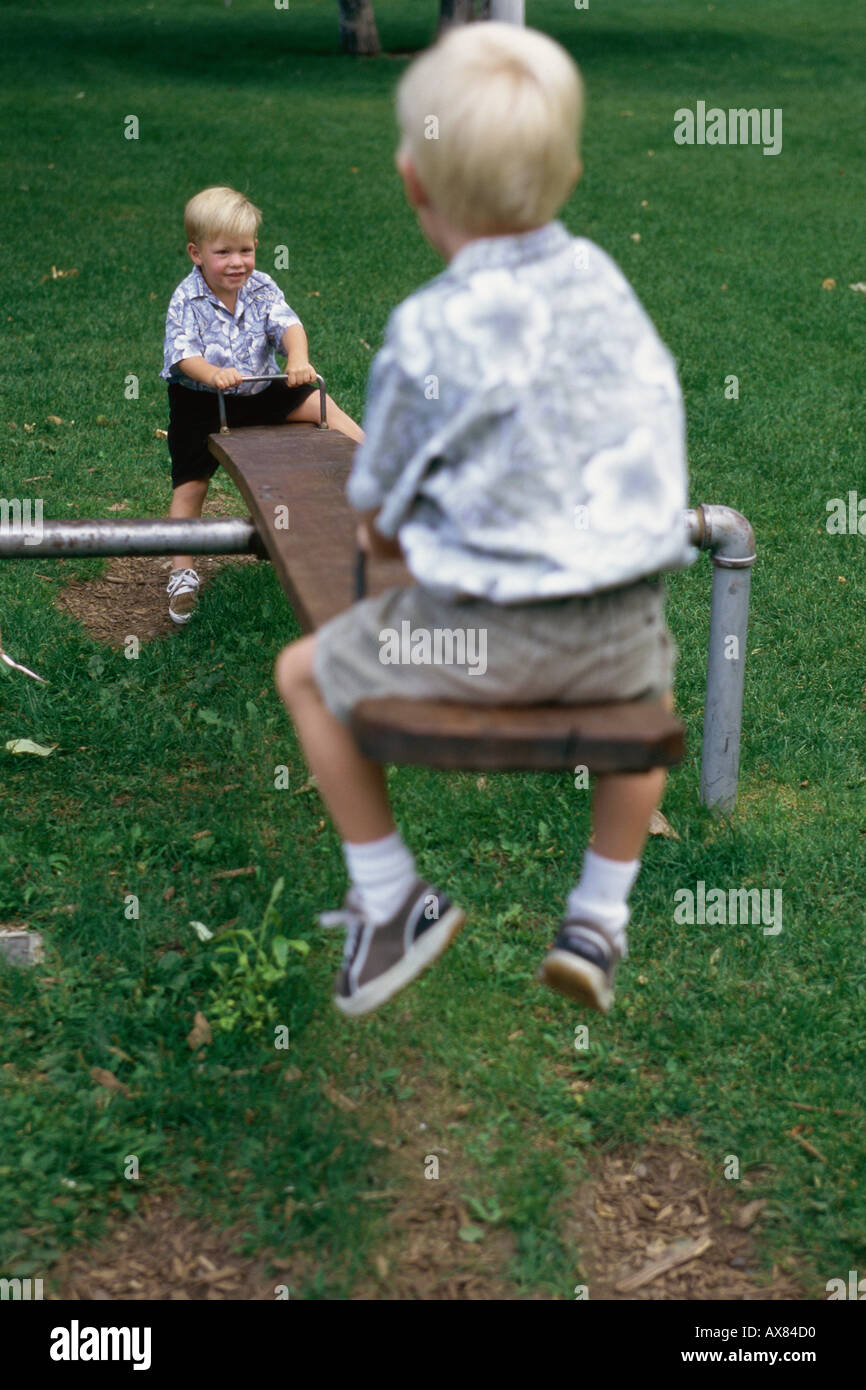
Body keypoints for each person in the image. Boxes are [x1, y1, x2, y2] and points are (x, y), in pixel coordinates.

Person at [274, 23, 694, 1018]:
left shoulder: (429, 326)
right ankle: (597, 917)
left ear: (411, 180)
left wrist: (388, 542)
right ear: (571, 172)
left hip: (476, 644)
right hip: (620, 639)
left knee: (305, 675)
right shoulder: (608, 287)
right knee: (645, 722)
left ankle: (392, 898)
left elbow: (376, 504)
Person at [161, 185, 363, 624]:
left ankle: (377, 463)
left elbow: (289, 326)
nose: (237, 262)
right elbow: (182, 355)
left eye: (246, 250)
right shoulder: (186, 298)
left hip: (260, 389)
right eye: (223, 252)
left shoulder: (262, 286)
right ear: (196, 253)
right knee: (191, 483)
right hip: (203, 400)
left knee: (319, 403)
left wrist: (298, 358)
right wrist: (211, 373)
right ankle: (182, 571)